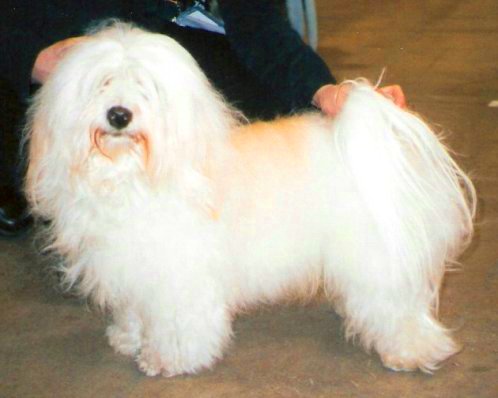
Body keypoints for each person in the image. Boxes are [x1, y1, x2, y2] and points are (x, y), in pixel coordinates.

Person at [0, 0, 405, 237]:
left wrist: (325, 92)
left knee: (269, 129)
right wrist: (29, 58)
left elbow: (263, 30)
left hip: (166, 39)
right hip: (47, 53)